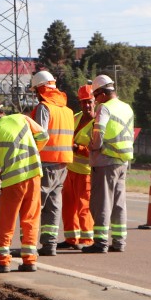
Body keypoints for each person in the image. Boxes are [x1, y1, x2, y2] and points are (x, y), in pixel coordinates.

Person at [0, 98, 49, 273]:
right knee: (30, 219)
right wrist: (32, 151)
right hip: (34, 175)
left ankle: (2, 262)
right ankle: (30, 260)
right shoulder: (22, 118)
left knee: (5, 222)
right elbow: (44, 136)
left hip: (12, 182)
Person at [83, 74, 135, 253]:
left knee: (101, 202)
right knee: (119, 203)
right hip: (123, 160)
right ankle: (119, 241)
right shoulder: (126, 107)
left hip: (105, 160)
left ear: (102, 93)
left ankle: (100, 242)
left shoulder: (104, 108)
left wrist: (92, 145)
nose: (95, 101)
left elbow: (98, 135)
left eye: (95, 96)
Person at [29, 70, 74, 256]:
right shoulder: (67, 110)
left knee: (35, 204)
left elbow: (41, 135)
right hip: (63, 164)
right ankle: (50, 245)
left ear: (40, 89)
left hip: (46, 162)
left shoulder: (44, 108)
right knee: (54, 204)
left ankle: (29, 245)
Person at [58, 84, 95, 250]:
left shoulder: (98, 122)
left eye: (90, 102)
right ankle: (71, 238)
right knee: (68, 206)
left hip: (85, 173)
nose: (87, 105)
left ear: (95, 102)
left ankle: (87, 240)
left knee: (83, 207)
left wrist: (77, 148)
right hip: (69, 170)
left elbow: (97, 150)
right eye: (84, 102)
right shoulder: (76, 117)